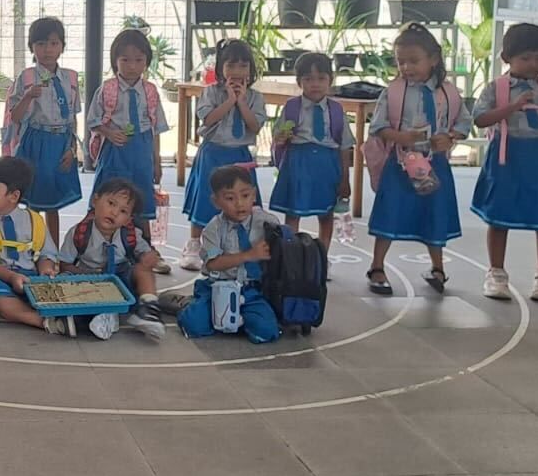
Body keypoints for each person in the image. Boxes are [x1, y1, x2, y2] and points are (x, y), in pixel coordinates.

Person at [471, 24, 538, 303]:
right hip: (507, 155)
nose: (533, 65)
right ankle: (496, 273)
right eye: (526, 58)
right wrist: (512, 107)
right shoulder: (497, 87)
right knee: (499, 215)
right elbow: (480, 119)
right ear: (507, 58)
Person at [364, 23, 471, 296]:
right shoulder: (394, 91)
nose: (406, 67)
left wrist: (451, 137)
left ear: (433, 59)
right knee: (389, 213)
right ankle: (377, 267)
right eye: (401, 61)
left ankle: (437, 268)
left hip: (436, 164)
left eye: (413, 61)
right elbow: (377, 126)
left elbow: (463, 122)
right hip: (401, 164)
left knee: (433, 214)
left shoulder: (448, 92)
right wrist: (400, 137)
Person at [180, 38, 266, 269]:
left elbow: (255, 126)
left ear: (251, 69)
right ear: (220, 69)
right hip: (213, 153)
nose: (237, 72)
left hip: (239, 155)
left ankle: (238, 244)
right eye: (230, 66)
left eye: (243, 66)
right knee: (205, 201)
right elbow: (207, 118)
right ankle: (194, 244)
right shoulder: (210, 93)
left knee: (241, 200)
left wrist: (241, 102)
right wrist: (229, 100)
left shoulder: (256, 97)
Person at [0, 157, 71, 335]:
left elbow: (46, 254)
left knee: (57, 286)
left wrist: (45, 270)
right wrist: (12, 277)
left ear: (14, 196)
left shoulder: (35, 221)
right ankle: (42, 320)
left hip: (30, 278)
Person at [3, 16, 83, 244]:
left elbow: (73, 117)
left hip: (61, 143)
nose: (47, 50)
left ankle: (52, 250)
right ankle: (33, 246)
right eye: (41, 44)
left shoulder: (71, 78)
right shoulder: (26, 77)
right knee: (34, 200)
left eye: (54, 43)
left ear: (62, 46)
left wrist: (72, 149)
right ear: (32, 47)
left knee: (54, 202)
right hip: (35, 142)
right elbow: (15, 117)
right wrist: (28, 96)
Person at [56, 178, 166, 341]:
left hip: (121, 281)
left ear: (128, 219)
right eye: (111, 203)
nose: (114, 212)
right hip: (90, 280)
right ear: (95, 200)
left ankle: (148, 309)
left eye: (123, 211)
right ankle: (99, 315)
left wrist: (149, 258)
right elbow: (65, 265)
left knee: (142, 269)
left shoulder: (130, 234)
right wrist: (85, 274)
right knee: (63, 279)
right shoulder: (79, 233)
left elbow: (145, 254)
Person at [269, 52, 354, 251]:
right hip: (298, 163)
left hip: (327, 165)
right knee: (293, 210)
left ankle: (322, 256)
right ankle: (291, 255)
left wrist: (345, 179)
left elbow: (344, 146)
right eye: (308, 79)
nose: (315, 84)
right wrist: (281, 137)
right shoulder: (291, 107)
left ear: (330, 81)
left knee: (326, 213)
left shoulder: (336, 109)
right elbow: (278, 135)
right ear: (299, 82)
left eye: (321, 78)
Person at [189, 165, 281, 343]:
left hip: (252, 289)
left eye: (245, 196)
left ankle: (241, 320)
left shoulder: (266, 222)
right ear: (216, 201)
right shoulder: (212, 230)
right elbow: (213, 263)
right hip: (219, 286)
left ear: (254, 195)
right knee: (194, 325)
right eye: (230, 198)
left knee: (266, 332)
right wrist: (248, 255)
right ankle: (189, 304)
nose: (239, 203)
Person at [86, 29, 168, 222]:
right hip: (115, 149)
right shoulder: (107, 89)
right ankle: (104, 234)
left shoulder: (151, 91)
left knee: (141, 191)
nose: (132, 66)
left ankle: (141, 239)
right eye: (125, 60)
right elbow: (93, 121)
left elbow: (156, 128)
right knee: (111, 189)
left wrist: (157, 162)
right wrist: (109, 132)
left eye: (139, 60)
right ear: (115, 61)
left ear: (147, 61)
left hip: (142, 148)